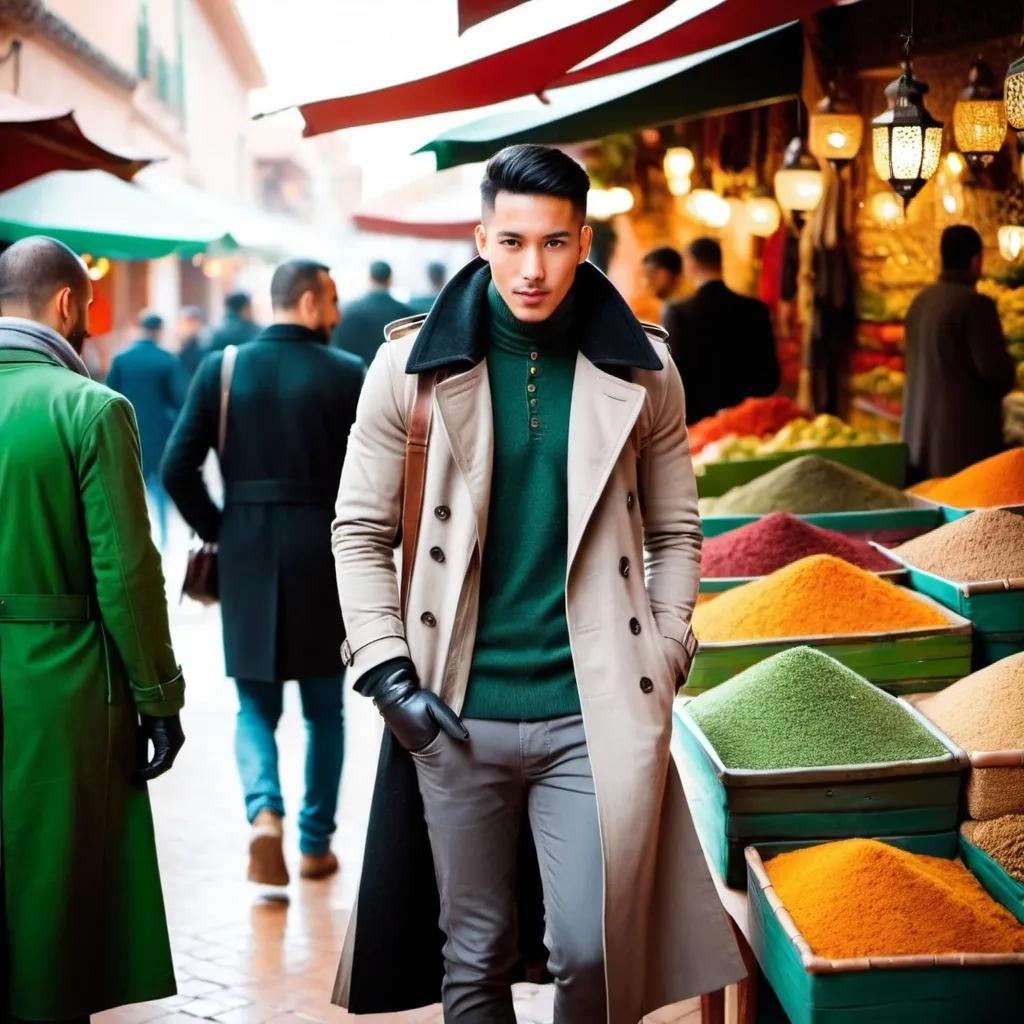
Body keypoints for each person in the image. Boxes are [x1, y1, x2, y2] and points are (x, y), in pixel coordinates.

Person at [330, 144, 743, 1024]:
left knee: (593, 949)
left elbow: (675, 530)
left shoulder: (646, 368)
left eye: (554, 243)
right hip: (454, 709)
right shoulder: (406, 371)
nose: (532, 267)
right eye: (512, 241)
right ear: (481, 238)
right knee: (472, 955)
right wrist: (388, 672)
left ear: (583, 241)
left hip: (590, 711)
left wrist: (667, 648)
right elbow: (359, 532)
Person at [0, 236, 185, 1023]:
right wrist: (159, 694)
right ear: (69, 305)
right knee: (54, 899)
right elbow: (127, 573)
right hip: (64, 688)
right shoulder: (90, 407)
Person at [162, 259, 364, 886]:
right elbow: (376, 475)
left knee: (253, 705)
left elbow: (176, 468)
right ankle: (313, 843)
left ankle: (263, 813)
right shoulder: (347, 373)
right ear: (308, 302)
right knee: (325, 709)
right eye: (330, 302)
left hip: (247, 547)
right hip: (326, 550)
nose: (334, 315)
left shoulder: (221, 369)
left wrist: (223, 527)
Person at [902, 225, 1016, 482]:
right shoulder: (975, 305)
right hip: (961, 447)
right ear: (976, 261)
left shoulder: (919, 301)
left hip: (919, 442)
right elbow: (996, 373)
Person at [663, 237, 780, 424]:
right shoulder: (756, 310)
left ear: (690, 265)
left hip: (699, 423)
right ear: (720, 263)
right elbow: (770, 378)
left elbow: (676, 377)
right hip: (749, 420)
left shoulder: (679, 313)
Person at [105, 311, 188, 550]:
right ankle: (162, 538)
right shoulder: (167, 360)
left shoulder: (121, 359)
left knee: (131, 485)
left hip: (128, 430)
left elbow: (108, 395)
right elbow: (180, 400)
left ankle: (133, 536)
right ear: (159, 331)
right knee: (159, 487)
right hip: (161, 432)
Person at [330, 259, 413, 365]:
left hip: (357, 377)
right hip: (394, 377)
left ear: (369, 279)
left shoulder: (348, 311)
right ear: (390, 279)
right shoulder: (406, 313)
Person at [177, 304, 206, 380]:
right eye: (189, 321)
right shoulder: (175, 349)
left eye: (195, 322)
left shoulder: (203, 347)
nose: (192, 326)